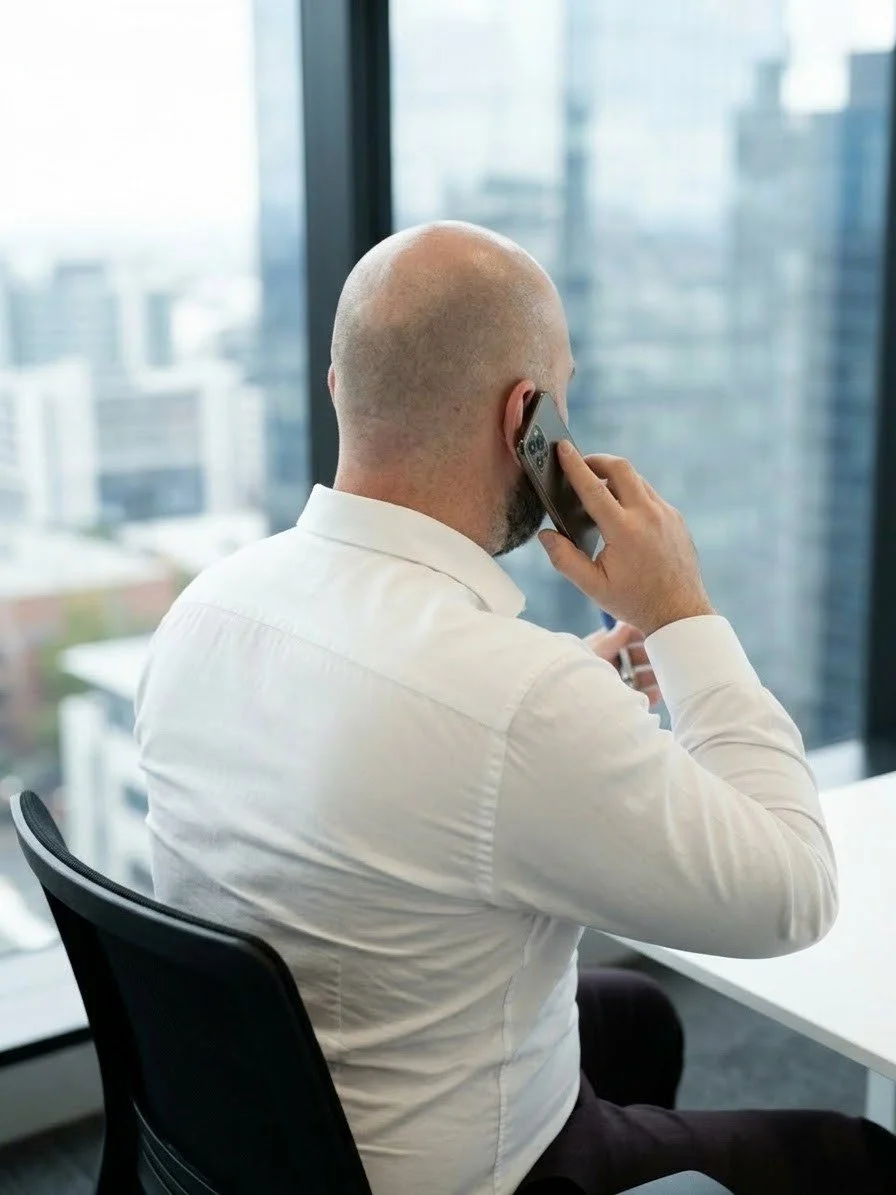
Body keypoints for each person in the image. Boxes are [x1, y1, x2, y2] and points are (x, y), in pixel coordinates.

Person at [135, 221, 895, 1195]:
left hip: (257, 1126)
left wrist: (567, 700)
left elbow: (401, 742)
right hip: (444, 1178)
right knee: (858, 1159)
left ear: (340, 391)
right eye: (560, 397)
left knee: (633, 1017)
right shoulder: (511, 697)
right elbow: (790, 894)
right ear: (522, 416)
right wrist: (677, 612)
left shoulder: (210, 606)